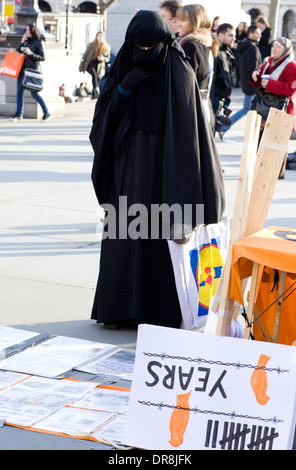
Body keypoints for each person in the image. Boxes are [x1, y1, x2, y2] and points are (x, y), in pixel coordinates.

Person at [89, 10, 225, 330]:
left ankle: (157, 310)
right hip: (127, 168)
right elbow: (104, 118)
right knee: (125, 236)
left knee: (159, 243)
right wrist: (123, 90)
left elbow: (191, 135)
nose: (146, 54)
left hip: (165, 172)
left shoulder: (179, 72)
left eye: (153, 47)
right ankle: (120, 308)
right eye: (141, 47)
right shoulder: (125, 63)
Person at [250, 37, 296, 178]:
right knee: (262, 141)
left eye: (278, 47)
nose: (274, 49)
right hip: (265, 106)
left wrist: (271, 85)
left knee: (278, 143)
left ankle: (277, 173)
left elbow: (294, 87)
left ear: (285, 49)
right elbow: (261, 82)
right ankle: (261, 170)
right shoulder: (268, 62)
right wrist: (254, 77)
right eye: (274, 46)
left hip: (283, 109)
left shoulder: (293, 66)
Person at [176, 3, 218, 129]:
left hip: (191, 112)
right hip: (204, 108)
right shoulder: (206, 45)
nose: (179, 24)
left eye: (183, 20)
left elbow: (185, 86)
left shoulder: (190, 46)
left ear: (196, 22)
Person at [219, 25, 262, 139]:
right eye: (257, 33)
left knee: (249, 109)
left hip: (245, 81)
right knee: (247, 109)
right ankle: (224, 127)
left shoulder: (244, 46)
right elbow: (253, 66)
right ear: (251, 34)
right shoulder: (252, 48)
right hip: (252, 83)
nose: (260, 35)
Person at [10, 23, 50, 122]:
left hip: (31, 71)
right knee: (19, 92)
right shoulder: (26, 41)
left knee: (34, 93)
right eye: (26, 30)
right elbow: (17, 51)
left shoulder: (38, 42)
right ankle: (19, 114)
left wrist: (31, 54)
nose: (27, 32)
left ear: (33, 31)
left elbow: (42, 57)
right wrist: (22, 42)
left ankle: (46, 112)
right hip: (22, 69)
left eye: (28, 30)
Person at [211, 23, 236, 136]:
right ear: (220, 35)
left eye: (234, 35)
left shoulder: (227, 52)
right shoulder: (215, 52)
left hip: (222, 99)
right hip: (214, 97)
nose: (233, 38)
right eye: (230, 35)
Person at [79, 31, 111, 99]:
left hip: (100, 66)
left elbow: (108, 58)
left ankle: (95, 95)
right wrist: (81, 65)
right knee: (94, 75)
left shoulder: (106, 47)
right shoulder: (91, 45)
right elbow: (85, 55)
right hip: (90, 64)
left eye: (102, 36)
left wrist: (102, 58)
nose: (100, 38)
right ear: (96, 37)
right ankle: (96, 89)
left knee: (97, 79)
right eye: (99, 36)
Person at [233, 21, 248, 87]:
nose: (240, 26)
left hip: (241, 53)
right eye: (239, 25)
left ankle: (238, 82)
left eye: (241, 25)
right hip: (234, 52)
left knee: (239, 68)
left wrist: (238, 44)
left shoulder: (245, 35)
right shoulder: (235, 33)